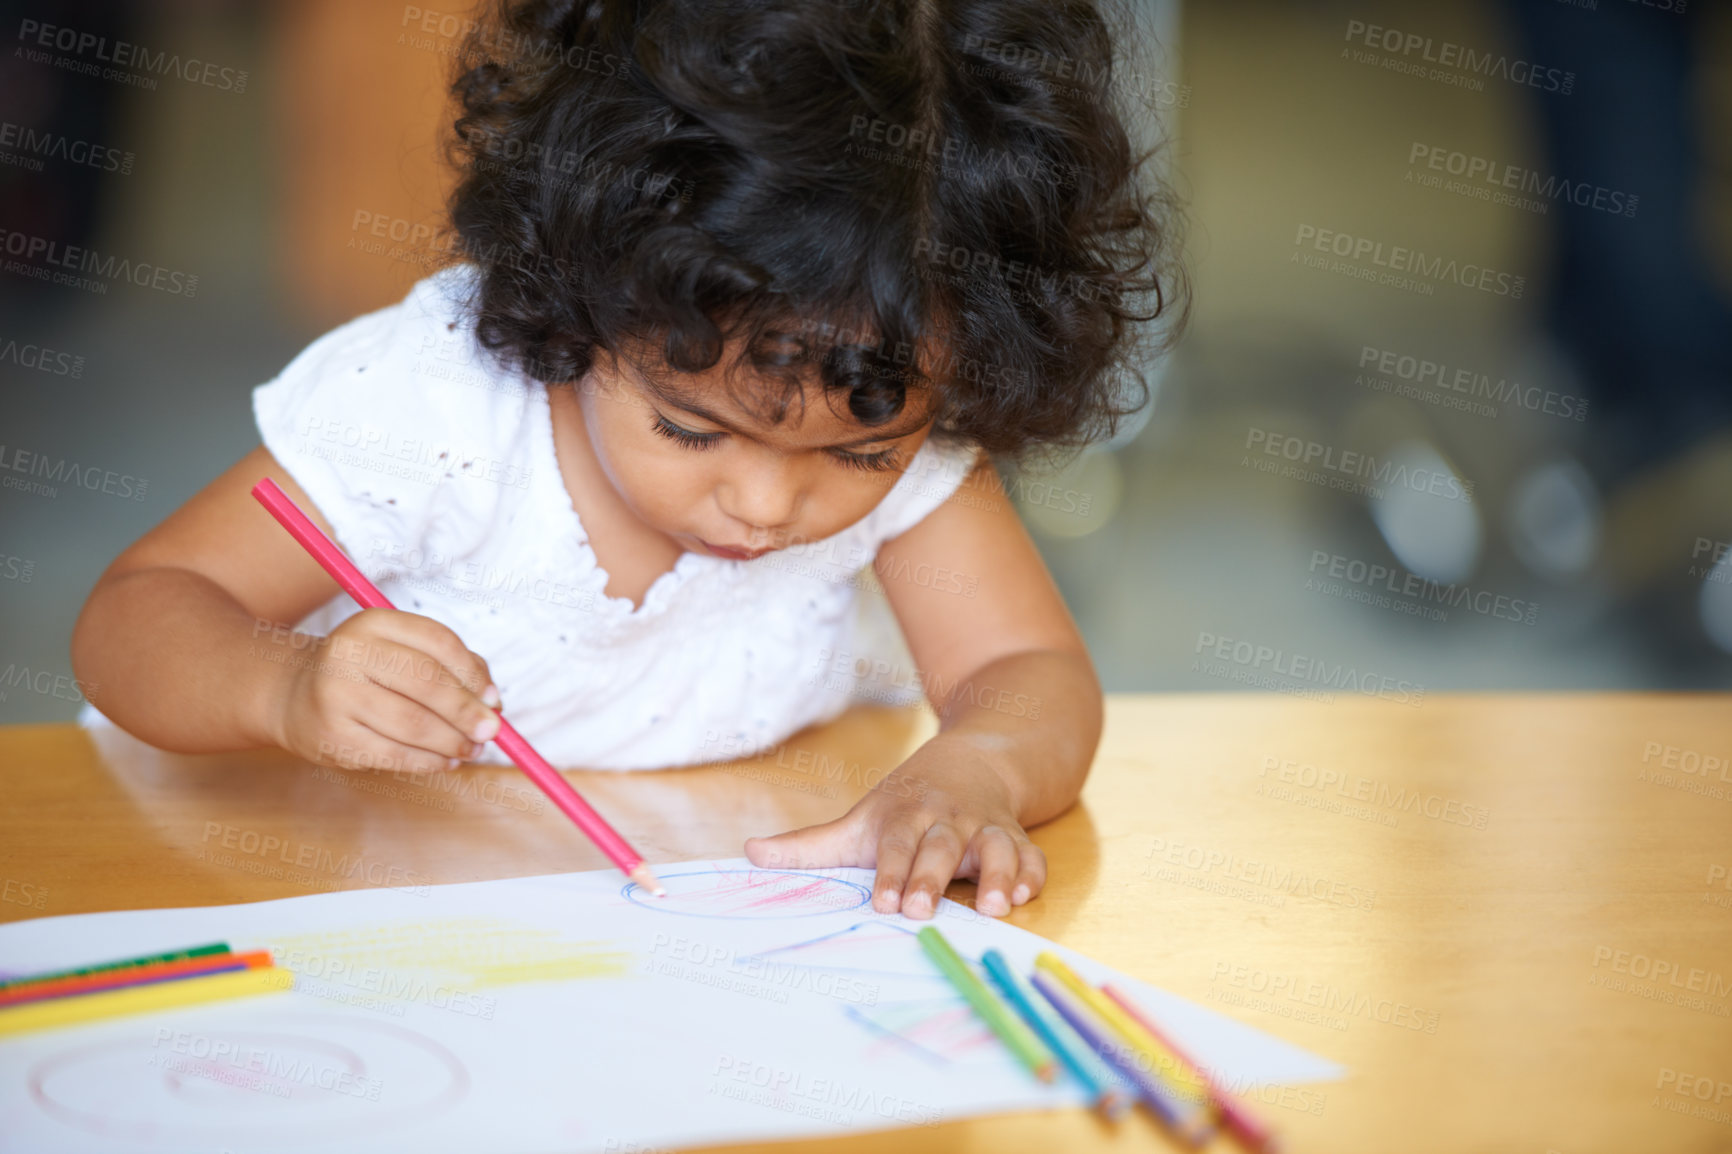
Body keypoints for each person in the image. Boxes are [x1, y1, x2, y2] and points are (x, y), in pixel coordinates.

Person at [70, 0, 1182, 920]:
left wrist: (975, 769)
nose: (765, 503)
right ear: (582, 298)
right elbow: (138, 614)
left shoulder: (914, 423)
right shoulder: (434, 405)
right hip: (320, 885)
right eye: (692, 429)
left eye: (858, 454)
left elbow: (1028, 668)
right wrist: (284, 684)